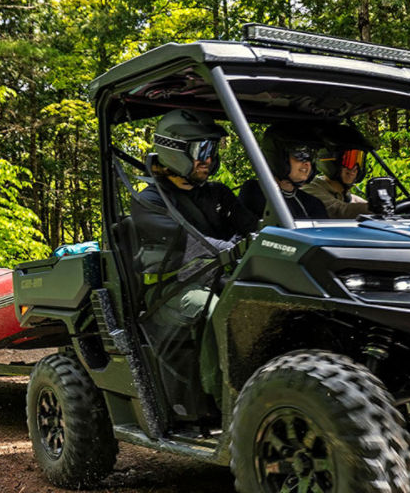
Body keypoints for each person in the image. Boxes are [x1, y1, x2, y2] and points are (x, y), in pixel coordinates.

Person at [130, 110, 256, 422]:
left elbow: (252, 230)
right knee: (216, 311)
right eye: (202, 150)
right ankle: (225, 402)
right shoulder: (151, 200)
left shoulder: (217, 194)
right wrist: (236, 244)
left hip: (218, 278)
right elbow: (192, 245)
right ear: (175, 150)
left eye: (212, 151)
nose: (208, 160)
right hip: (171, 291)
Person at [238, 124, 329, 221]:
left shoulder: (312, 203)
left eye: (311, 155)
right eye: (300, 154)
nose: (307, 163)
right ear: (278, 158)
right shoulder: (256, 192)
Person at [306, 123, 373, 218]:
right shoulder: (311, 190)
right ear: (329, 161)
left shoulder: (348, 198)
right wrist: (376, 209)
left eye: (358, 161)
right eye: (348, 161)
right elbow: (340, 211)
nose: (354, 168)